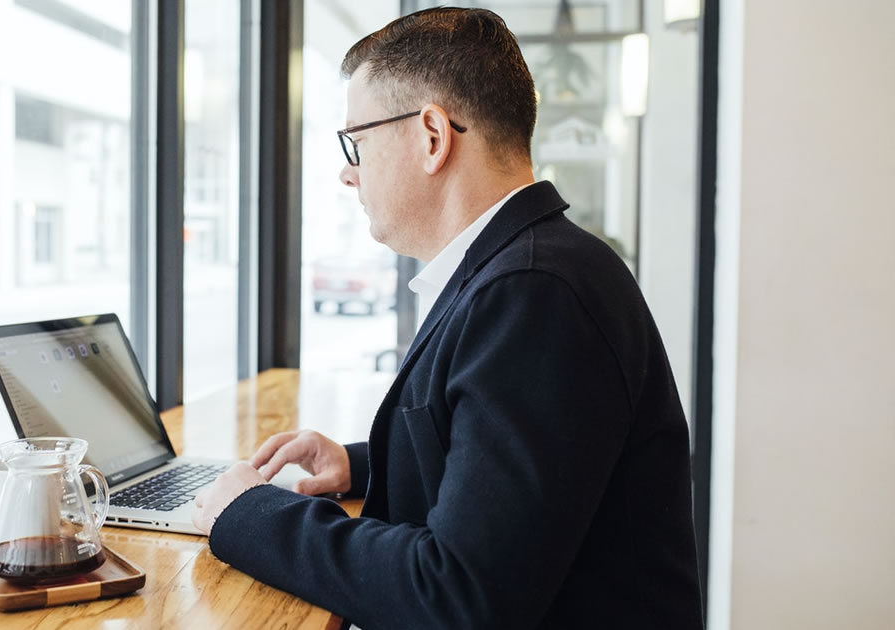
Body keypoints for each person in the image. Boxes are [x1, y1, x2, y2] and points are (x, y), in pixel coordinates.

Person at [191, 7, 703, 628]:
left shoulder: (534, 293)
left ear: (432, 136)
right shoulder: (533, 266)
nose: (347, 172)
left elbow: (459, 594)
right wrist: (360, 464)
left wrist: (248, 514)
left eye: (358, 141)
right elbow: (512, 468)